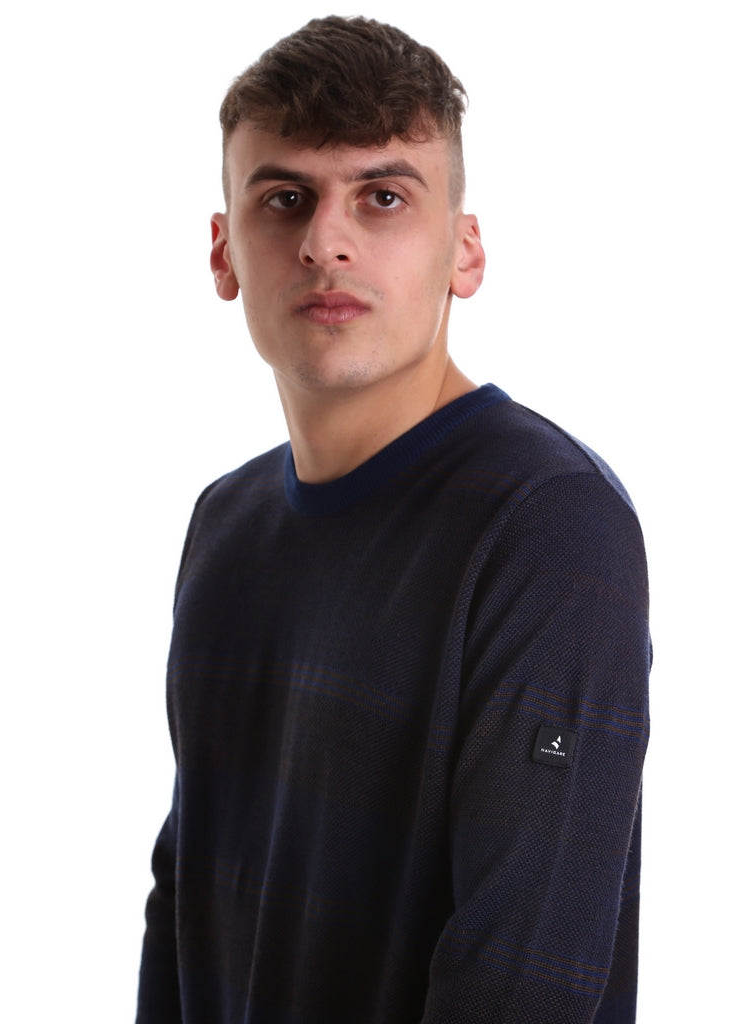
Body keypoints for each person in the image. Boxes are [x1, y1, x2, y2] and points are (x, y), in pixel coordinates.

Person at [136, 15, 651, 1023]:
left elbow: (522, 982)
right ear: (223, 252)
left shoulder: (549, 527)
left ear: (466, 251)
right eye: (285, 198)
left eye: (383, 197)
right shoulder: (226, 525)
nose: (325, 240)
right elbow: (185, 901)